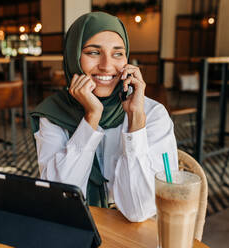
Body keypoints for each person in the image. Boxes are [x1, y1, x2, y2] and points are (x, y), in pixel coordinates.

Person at [30, 12, 178, 222]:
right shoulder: (54, 113)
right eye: (93, 52)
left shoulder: (152, 114)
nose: (107, 66)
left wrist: (136, 120)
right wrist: (91, 118)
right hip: (77, 227)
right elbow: (58, 200)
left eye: (118, 54)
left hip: (136, 232)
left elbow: (139, 211)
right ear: (74, 56)